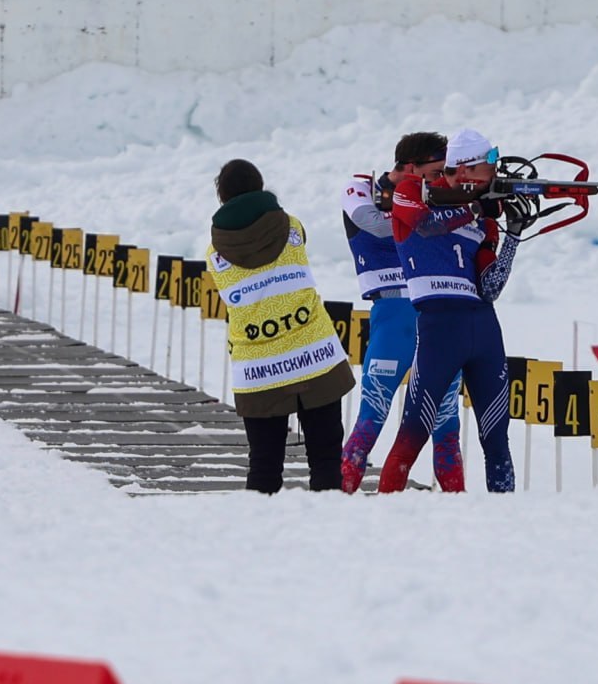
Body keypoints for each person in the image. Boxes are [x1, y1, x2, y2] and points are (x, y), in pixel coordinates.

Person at [378, 128, 537, 493]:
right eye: (489, 164)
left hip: (483, 327)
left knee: (497, 440)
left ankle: (504, 524)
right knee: (412, 434)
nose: (495, 172)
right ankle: (382, 520)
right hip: (439, 327)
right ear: (464, 170)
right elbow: (428, 226)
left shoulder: (482, 219)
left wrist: (512, 233)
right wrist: (476, 207)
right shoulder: (412, 191)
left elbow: (491, 287)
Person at [206, 159, 355, 493]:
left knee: (263, 462)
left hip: (258, 368)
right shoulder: (292, 228)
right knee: (327, 457)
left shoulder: (214, 253)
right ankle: (333, 531)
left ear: (222, 197)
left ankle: (261, 535)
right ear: (260, 187)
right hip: (314, 355)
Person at [340, 132, 464, 493]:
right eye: (436, 170)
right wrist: (427, 208)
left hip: (436, 316)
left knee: (447, 429)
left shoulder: (442, 195)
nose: (442, 178)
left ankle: (461, 511)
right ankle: (335, 504)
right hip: (394, 317)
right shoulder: (360, 188)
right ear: (411, 167)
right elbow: (376, 223)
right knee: (370, 419)